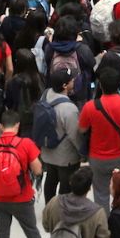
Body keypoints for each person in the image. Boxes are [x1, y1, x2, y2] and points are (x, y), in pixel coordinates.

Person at [77, 69, 120, 211]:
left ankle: (104, 226)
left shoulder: (90, 107)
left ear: (101, 86)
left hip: (98, 159)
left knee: (101, 193)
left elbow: (82, 130)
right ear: (119, 86)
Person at [0, 110, 45, 238]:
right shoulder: (26, 144)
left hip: (0, 199)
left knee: (3, 235)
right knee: (32, 232)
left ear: (1, 126)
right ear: (18, 125)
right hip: (23, 198)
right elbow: (38, 170)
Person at [42, 166, 111, 238]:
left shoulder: (54, 202)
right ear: (89, 188)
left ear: (70, 183)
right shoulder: (97, 213)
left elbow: (46, 226)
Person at [38, 68, 83, 202]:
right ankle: (62, 212)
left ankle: (49, 208)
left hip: (47, 151)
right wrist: (83, 153)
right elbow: (75, 135)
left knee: (50, 181)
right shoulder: (69, 109)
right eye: (72, 80)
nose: (74, 81)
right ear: (64, 86)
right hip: (66, 157)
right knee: (65, 186)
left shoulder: (46, 94)